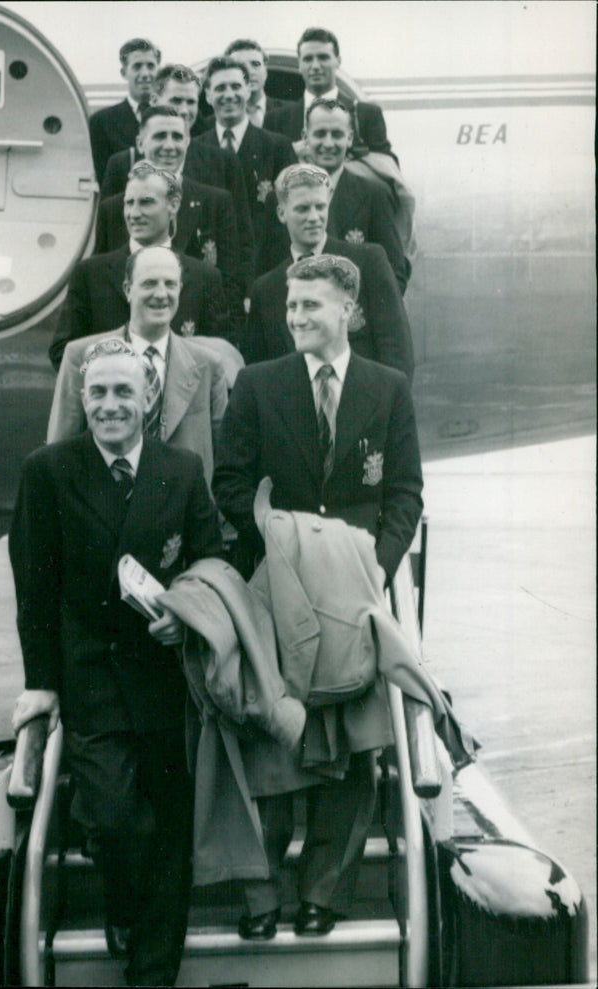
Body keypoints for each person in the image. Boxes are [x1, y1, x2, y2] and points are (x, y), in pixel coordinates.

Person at [212, 253, 423, 940]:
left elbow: (404, 496)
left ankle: (323, 895)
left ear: (350, 312)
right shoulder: (257, 384)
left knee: (353, 749)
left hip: (356, 596)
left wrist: (372, 569)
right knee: (274, 745)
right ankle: (263, 895)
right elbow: (233, 485)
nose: (298, 318)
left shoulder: (387, 388)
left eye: (312, 307)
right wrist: (284, 551)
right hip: (279, 591)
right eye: (292, 307)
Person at [10, 337, 222, 986]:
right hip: (92, 681)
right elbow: (34, 590)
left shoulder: (181, 470)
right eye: (97, 392)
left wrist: (183, 615)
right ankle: (127, 912)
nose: (109, 405)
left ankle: (152, 974)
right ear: (81, 397)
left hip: (165, 679)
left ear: (149, 397)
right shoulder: (48, 470)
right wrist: (41, 685)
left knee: (171, 832)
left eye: (123, 392)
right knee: (116, 819)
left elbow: (212, 565)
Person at [48, 244, 228, 493]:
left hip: (183, 519)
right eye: (149, 283)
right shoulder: (81, 356)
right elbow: (59, 453)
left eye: (170, 284)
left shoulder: (208, 364)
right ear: (127, 290)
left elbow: (225, 459)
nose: (161, 294)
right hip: (103, 516)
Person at [49, 164, 231, 367]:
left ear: (174, 205)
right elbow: (62, 352)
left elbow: (221, 355)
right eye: (129, 203)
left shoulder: (204, 277)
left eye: (146, 202)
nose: (134, 214)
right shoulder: (90, 274)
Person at [102, 64, 255, 297]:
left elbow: (241, 243)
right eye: (175, 101)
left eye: (191, 102)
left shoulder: (222, 161)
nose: (184, 110)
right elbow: (109, 247)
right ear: (154, 100)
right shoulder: (122, 164)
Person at [248, 164, 413, 380]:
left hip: (363, 406)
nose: (314, 217)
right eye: (302, 209)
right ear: (281, 213)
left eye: (320, 206)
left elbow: (398, 354)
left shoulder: (368, 262)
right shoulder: (266, 289)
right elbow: (258, 374)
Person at [94, 107, 245, 327]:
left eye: (177, 137)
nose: (169, 146)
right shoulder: (113, 208)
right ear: (140, 143)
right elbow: (102, 277)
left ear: (187, 142)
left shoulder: (215, 202)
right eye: (159, 136)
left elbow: (230, 283)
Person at [194, 57, 296, 275]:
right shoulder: (195, 150)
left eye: (236, 86)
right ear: (208, 95)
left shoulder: (277, 147)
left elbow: (287, 221)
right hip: (210, 273)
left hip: (264, 271)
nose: (229, 95)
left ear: (249, 90)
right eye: (220, 88)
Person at [301, 98, 409, 291]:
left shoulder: (374, 194)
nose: (328, 143)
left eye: (337, 135)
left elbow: (395, 273)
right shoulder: (284, 195)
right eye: (319, 134)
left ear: (349, 138)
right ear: (305, 137)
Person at [265, 27, 395, 162]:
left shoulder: (366, 114)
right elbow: (264, 171)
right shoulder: (275, 120)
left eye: (323, 57)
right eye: (308, 59)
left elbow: (388, 166)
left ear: (338, 61)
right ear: (299, 65)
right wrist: (291, 154)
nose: (315, 66)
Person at [89, 38, 161, 183]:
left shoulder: (173, 117)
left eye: (151, 66)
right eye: (137, 66)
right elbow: (105, 182)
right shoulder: (101, 122)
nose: (145, 73)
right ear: (124, 72)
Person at [223, 39, 285, 128]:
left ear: (265, 71)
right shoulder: (217, 120)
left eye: (255, 64)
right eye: (240, 66)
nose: (249, 71)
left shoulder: (290, 113)